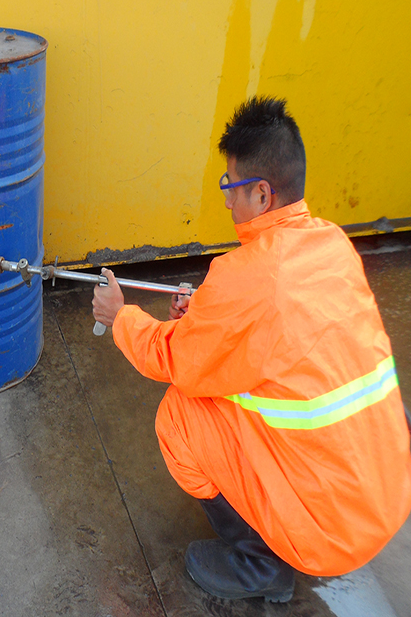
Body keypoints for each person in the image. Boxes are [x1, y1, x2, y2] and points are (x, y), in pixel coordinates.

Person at [92, 96, 411, 603]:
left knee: (179, 415)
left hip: (330, 535)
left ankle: (260, 561)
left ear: (262, 194)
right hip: (388, 495)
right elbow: (278, 342)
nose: (225, 201)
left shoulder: (248, 277)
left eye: (230, 187)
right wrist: (205, 316)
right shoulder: (331, 244)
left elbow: (172, 361)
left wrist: (120, 316)